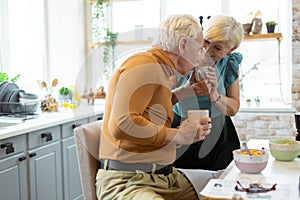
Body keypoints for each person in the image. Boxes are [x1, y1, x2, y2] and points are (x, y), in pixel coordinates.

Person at [96, 14, 213, 200]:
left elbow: (154, 107)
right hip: (128, 182)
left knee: (224, 187)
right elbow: (121, 123)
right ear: (182, 45)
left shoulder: (158, 68)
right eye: (199, 49)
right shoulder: (144, 65)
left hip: (165, 178)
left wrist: (189, 91)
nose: (201, 58)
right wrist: (178, 134)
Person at [172, 14, 243, 170]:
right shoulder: (181, 55)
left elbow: (233, 108)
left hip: (216, 131)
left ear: (231, 49)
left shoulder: (230, 63)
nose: (207, 50)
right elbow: (163, 98)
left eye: (217, 48)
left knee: (216, 184)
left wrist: (214, 95)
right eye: (206, 41)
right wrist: (188, 90)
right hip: (180, 127)